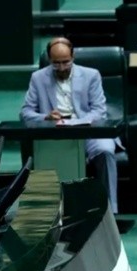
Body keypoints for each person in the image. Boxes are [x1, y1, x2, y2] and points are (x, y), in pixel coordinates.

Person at [20, 38, 121, 213]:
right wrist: (45, 117)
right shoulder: (38, 78)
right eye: (56, 63)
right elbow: (26, 112)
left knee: (105, 150)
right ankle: (51, 212)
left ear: (73, 57)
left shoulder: (91, 75)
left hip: (89, 132)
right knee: (43, 152)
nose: (61, 68)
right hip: (56, 135)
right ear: (49, 60)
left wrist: (75, 123)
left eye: (65, 62)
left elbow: (99, 111)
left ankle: (110, 211)